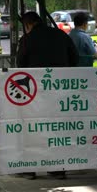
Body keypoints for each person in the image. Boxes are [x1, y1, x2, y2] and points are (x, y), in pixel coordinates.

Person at [16, 12, 78, 180]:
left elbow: (20, 65)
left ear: (28, 25)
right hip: (60, 91)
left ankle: (30, 168)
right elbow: (75, 59)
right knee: (57, 129)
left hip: (36, 92)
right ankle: (57, 168)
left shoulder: (27, 40)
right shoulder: (60, 35)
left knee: (33, 129)